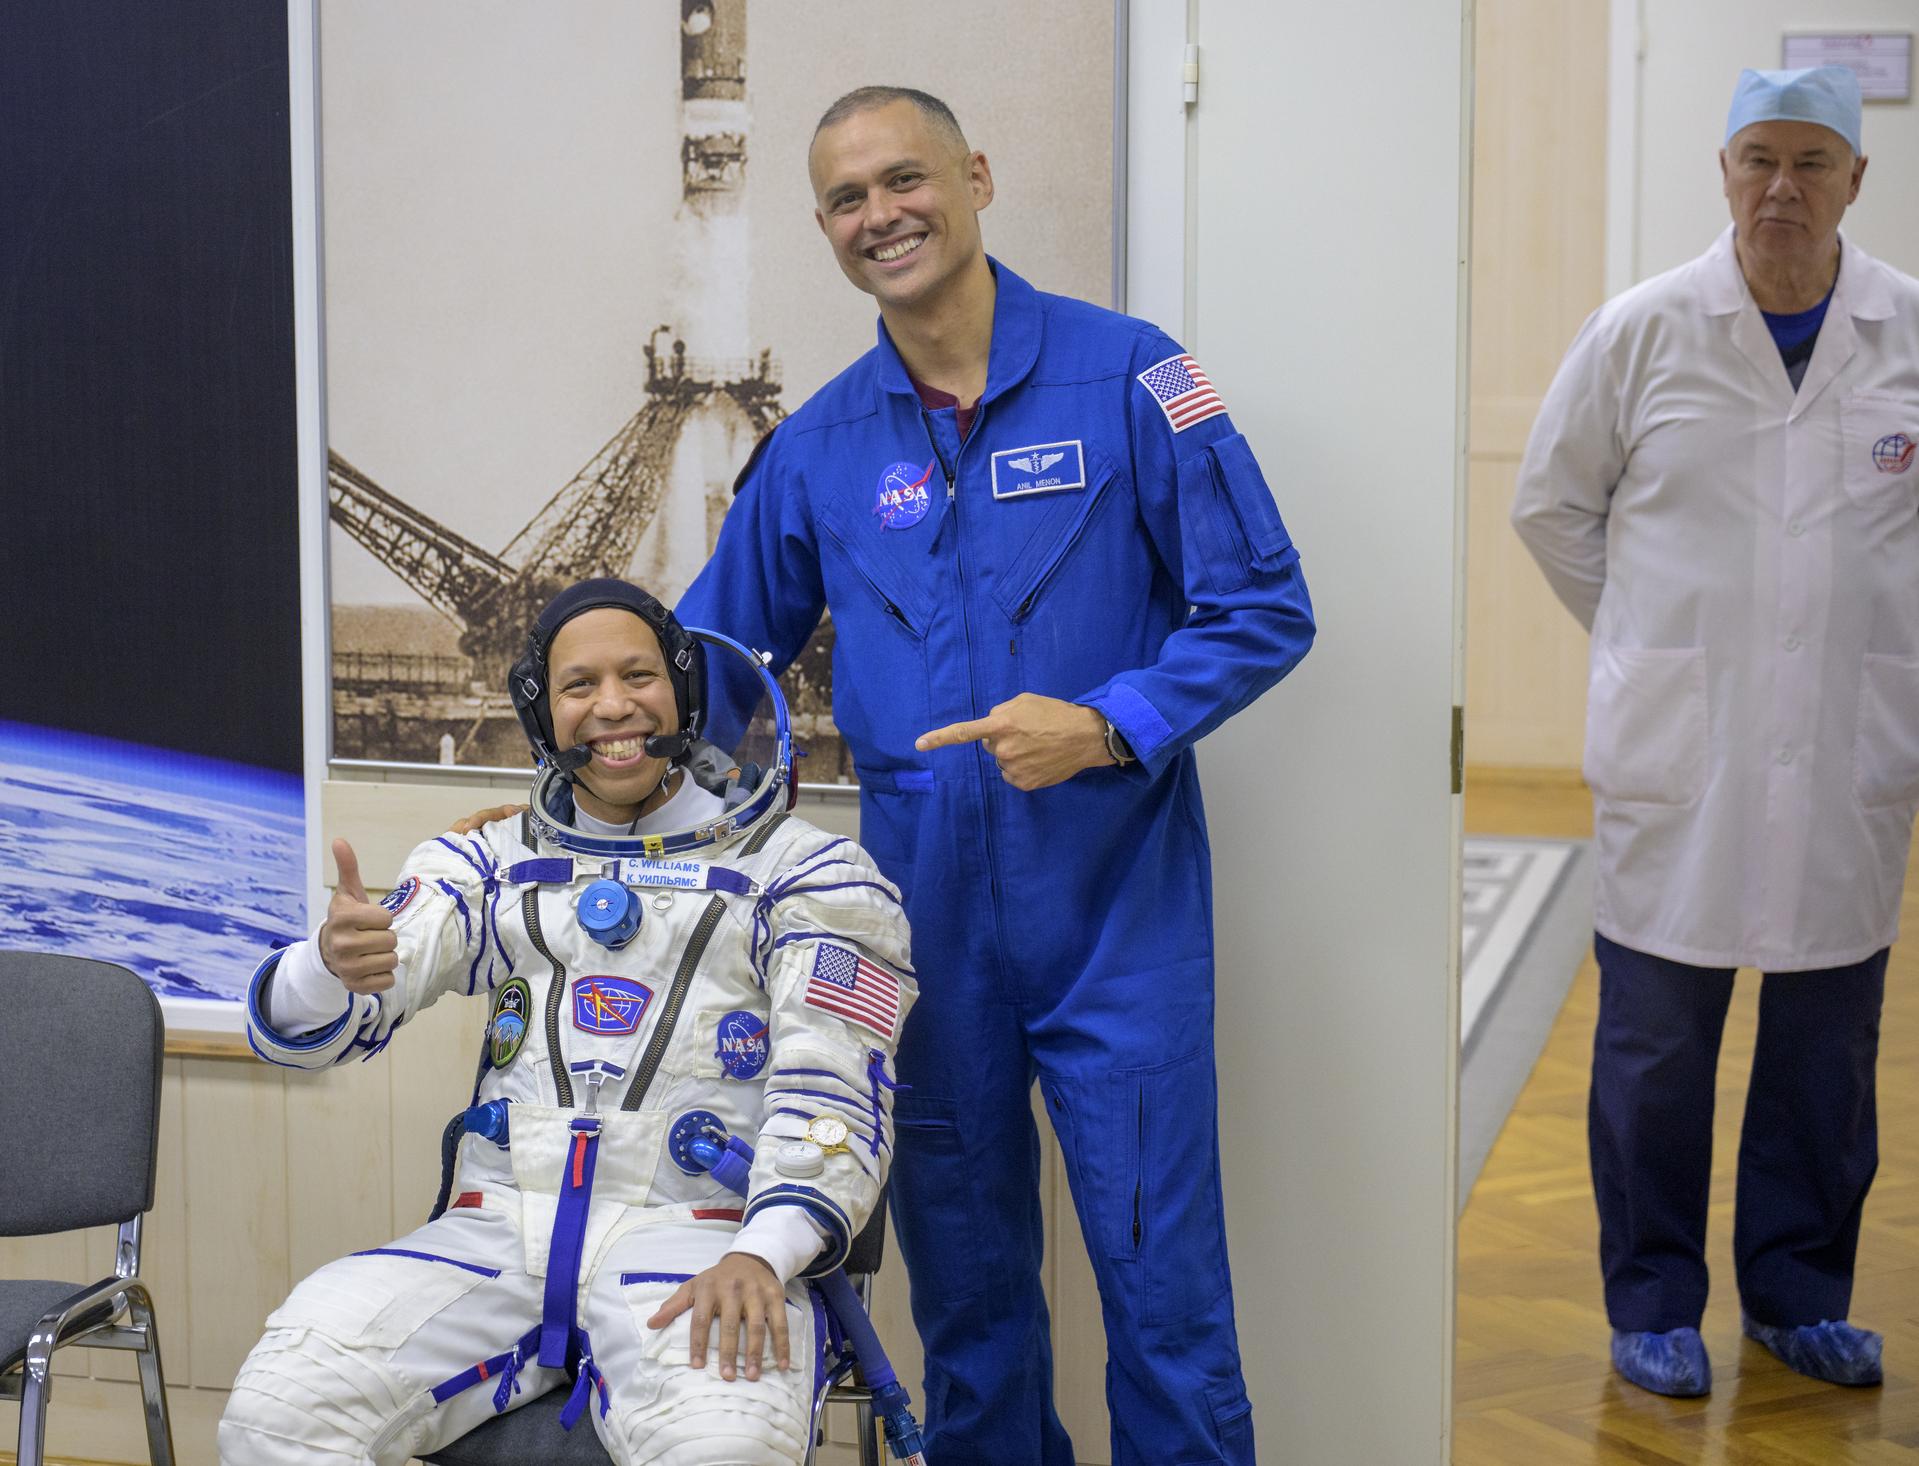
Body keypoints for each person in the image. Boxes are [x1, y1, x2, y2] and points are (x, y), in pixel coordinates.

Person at [677, 87, 1315, 1466]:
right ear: (824, 230)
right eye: (845, 201)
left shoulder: (1132, 376)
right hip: (918, 945)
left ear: (972, 175)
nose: (878, 216)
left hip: (1114, 927)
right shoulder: (821, 445)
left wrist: (1107, 723)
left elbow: (1263, 605)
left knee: (1166, 1311)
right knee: (967, 1314)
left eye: (901, 180)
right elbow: (709, 672)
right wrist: (574, 791)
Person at [217, 579, 916, 1465]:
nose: (613, 705)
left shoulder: (809, 877)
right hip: (496, 1232)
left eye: (638, 676)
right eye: (579, 685)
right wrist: (326, 964)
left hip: (704, 1242)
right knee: (281, 1410)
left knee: (724, 1449)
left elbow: (836, 1091)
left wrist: (765, 1254)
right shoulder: (494, 861)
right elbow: (343, 1008)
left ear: (685, 693)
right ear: (542, 713)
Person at [1512, 65, 1919, 1397]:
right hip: (1676, 759)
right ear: (1722, 171)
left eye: (1810, 162)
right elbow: (1550, 508)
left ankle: (1796, 1295)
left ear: (1854, 179)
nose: (1780, 189)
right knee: (1652, 1046)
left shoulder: (1905, 334)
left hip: (1846, 749)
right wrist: (1647, 646)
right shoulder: (1640, 330)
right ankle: (1651, 1298)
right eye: (1758, 159)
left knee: (1823, 1051)